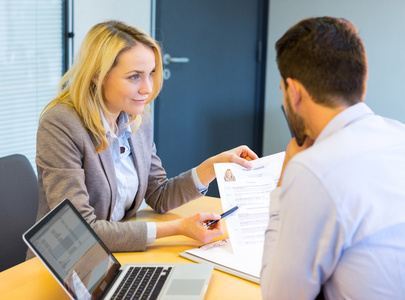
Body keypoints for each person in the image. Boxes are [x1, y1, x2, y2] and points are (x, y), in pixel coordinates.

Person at [28, 20, 258, 259]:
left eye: (151, 74)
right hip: (72, 263)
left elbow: (158, 195)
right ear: (97, 75)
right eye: (134, 77)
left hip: (118, 255)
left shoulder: (136, 118)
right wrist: (177, 228)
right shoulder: (62, 124)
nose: (147, 88)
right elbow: (79, 231)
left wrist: (212, 167)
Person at [261, 16, 405, 300]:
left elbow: (279, 296)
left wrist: (284, 181)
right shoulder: (399, 134)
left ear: (295, 92)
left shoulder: (312, 169)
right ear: (361, 81)